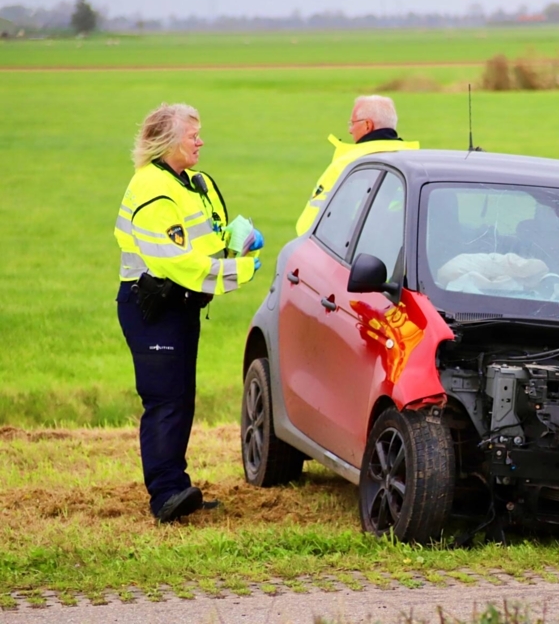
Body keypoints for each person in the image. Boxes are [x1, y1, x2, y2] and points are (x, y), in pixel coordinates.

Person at [114, 103, 263, 523]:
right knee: (164, 400)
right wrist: (244, 268)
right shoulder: (151, 189)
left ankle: (177, 487)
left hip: (180, 308)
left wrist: (238, 242)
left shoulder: (194, 183)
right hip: (152, 308)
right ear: (166, 141)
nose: (200, 141)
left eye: (200, 133)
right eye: (192, 134)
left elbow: (210, 240)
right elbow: (179, 265)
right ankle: (164, 496)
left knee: (180, 397)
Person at [295, 95, 419, 235]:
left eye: (352, 123)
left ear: (367, 125)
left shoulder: (347, 165)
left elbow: (308, 226)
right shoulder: (417, 161)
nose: (350, 130)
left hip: (352, 252)